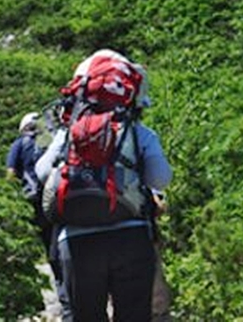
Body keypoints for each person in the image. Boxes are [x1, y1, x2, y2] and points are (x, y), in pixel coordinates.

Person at [36, 51, 173, 322]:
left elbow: (42, 173)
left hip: (75, 240)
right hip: (131, 237)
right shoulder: (138, 132)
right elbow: (160, 179)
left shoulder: (69, 132)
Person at [6, 112, 72, 320]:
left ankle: (66, 301)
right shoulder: (52, 140)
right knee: (65, 243)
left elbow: (10, 174)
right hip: (60, 198)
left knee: (51, 251)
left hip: (35, 204)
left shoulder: (18, 144)